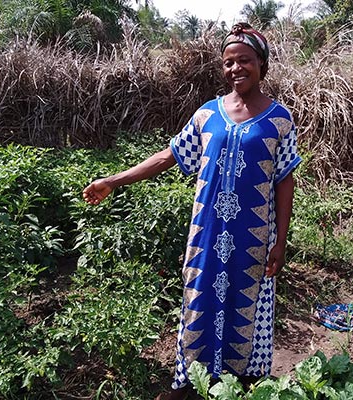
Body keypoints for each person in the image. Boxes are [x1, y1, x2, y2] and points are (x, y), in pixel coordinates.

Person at [83, 22, 301, 400]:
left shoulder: (279, 119)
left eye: (244, 60)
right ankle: (188, 383)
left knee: (248, 303)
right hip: (207, 234)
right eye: (229, 62)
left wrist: (281, 240)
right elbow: (169, 156)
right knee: (199, 300)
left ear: (262, 63)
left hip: (253, 237)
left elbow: (284, 180)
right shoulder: (207, 115)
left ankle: (245, 383)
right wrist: (114, 180)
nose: (236, 69)